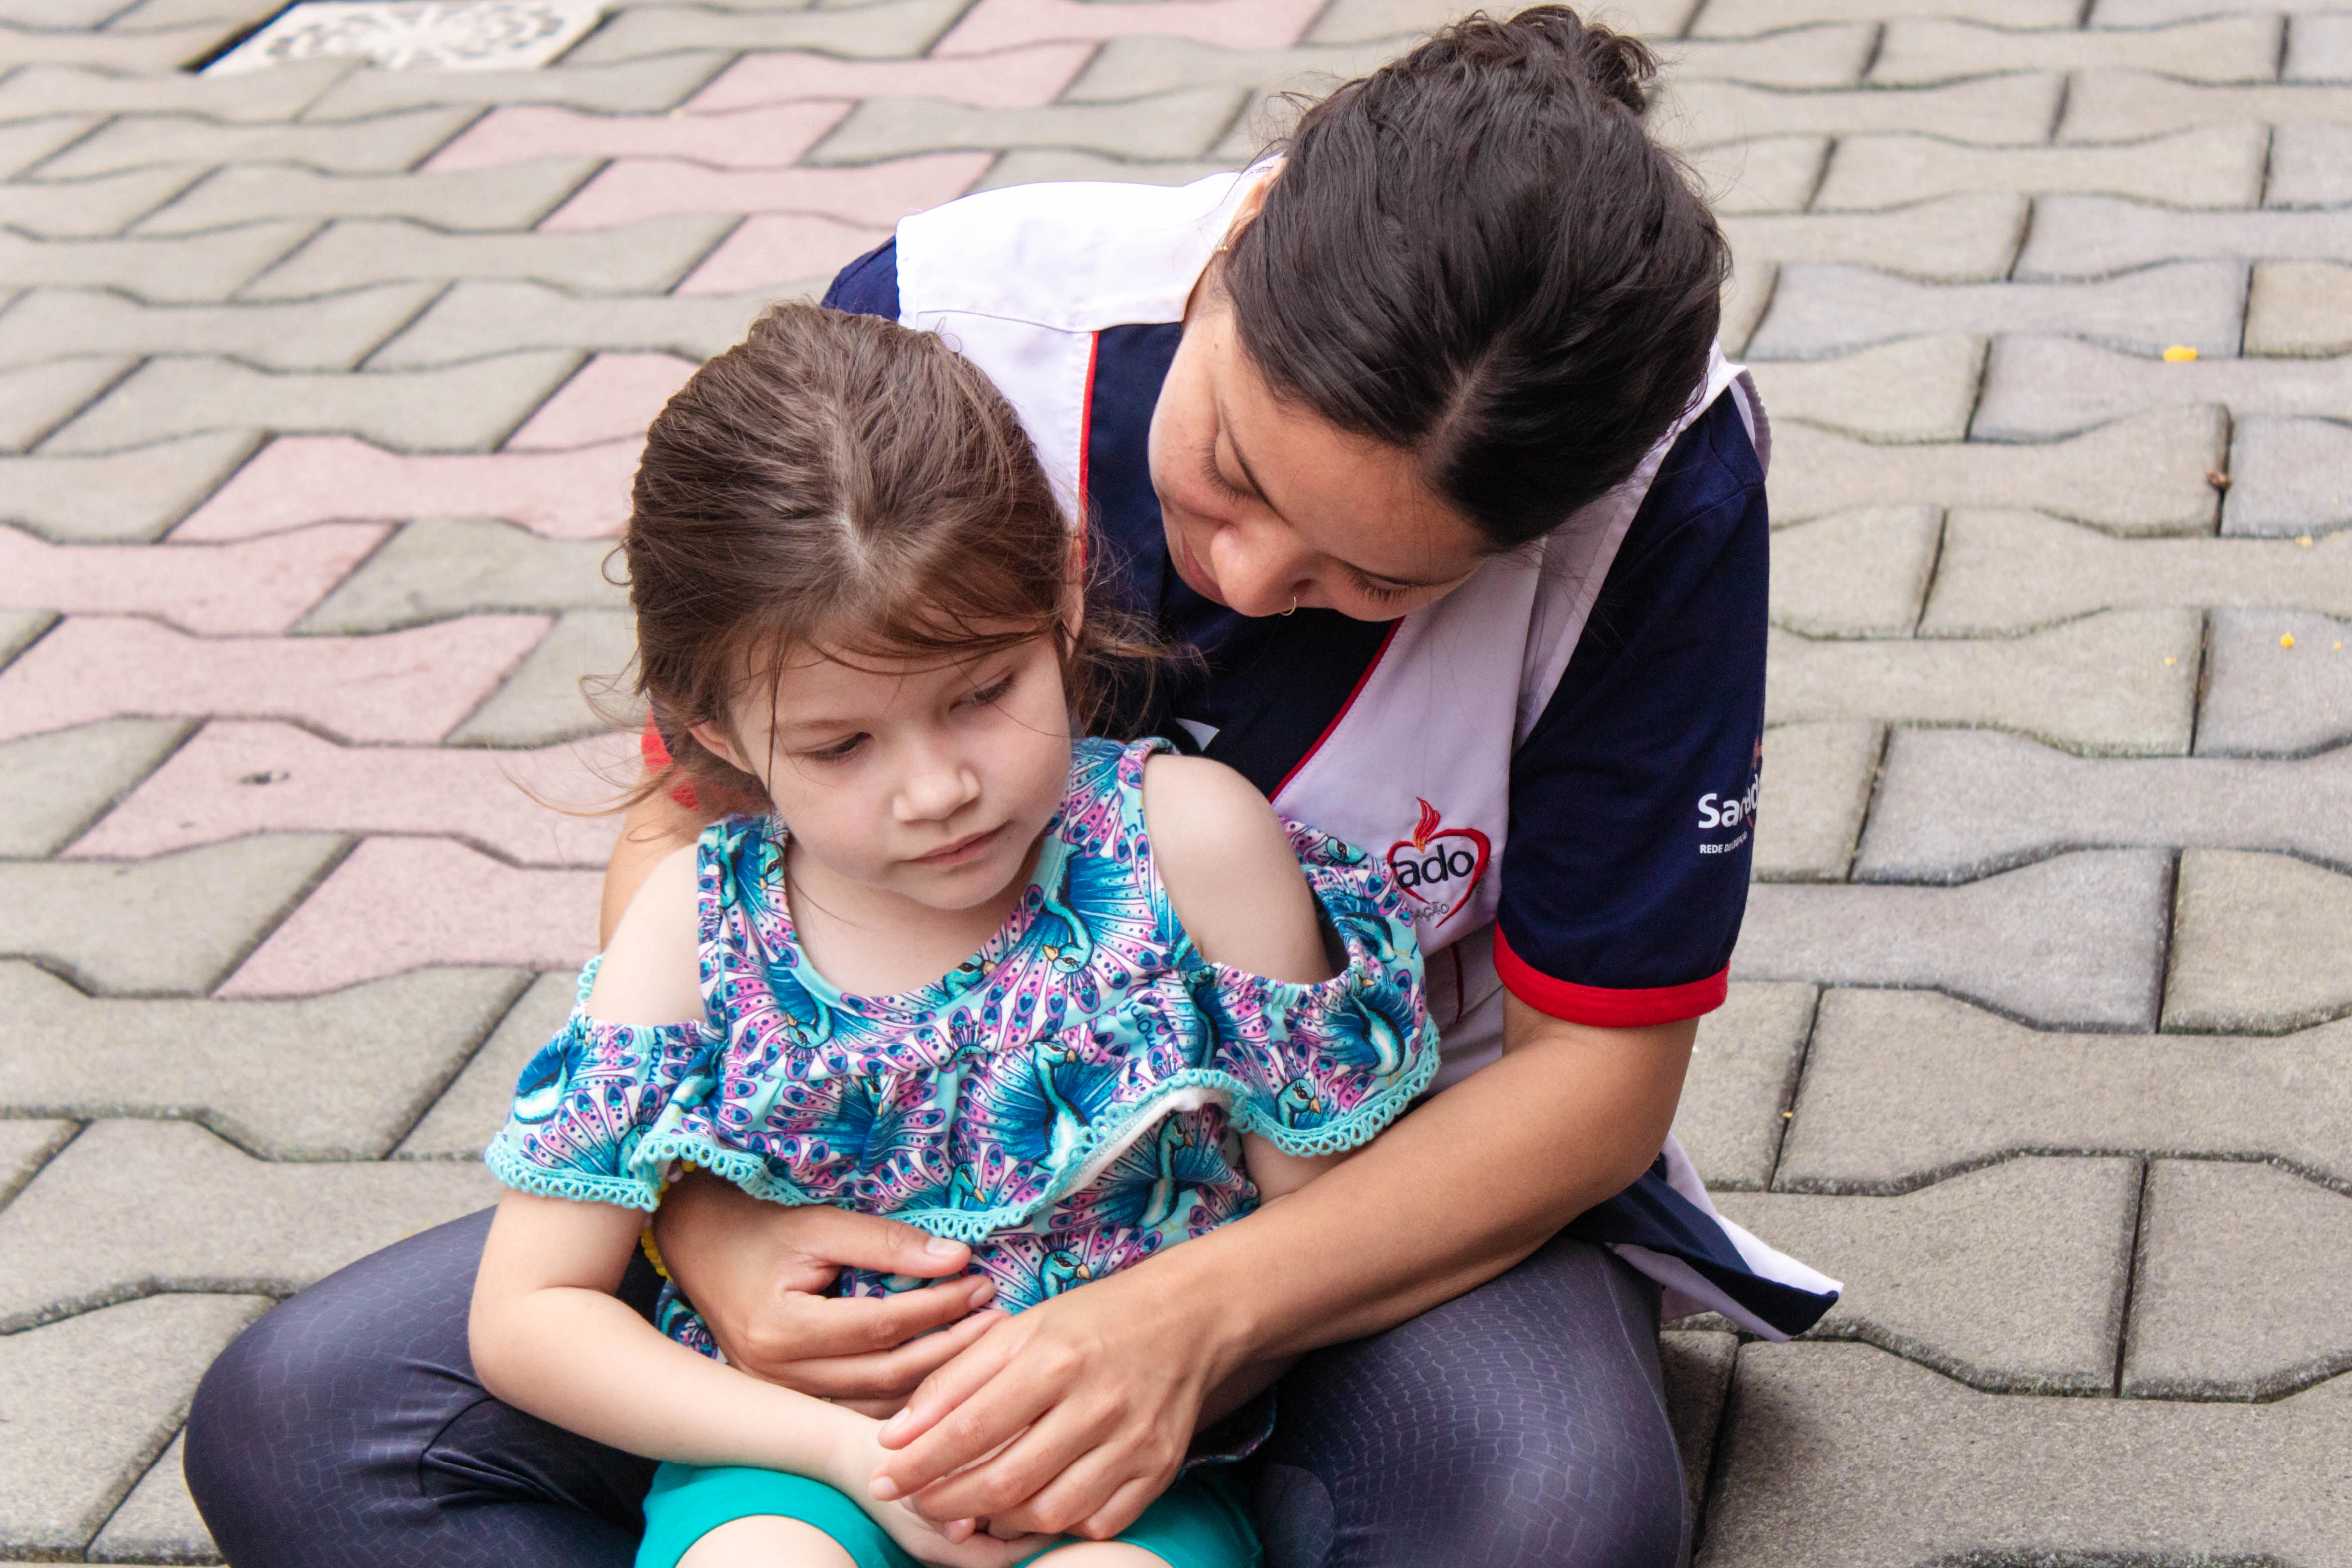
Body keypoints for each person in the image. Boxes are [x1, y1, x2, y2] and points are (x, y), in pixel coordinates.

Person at [186, 11, 1839, 1567]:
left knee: (1550, 1518)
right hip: (861, 1213)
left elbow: (1594, 1082)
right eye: (1238, 473)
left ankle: (1231, 1481)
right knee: (306, 1423)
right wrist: (712, 1231)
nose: (1250, 579)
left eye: (1372, 579)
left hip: (1369, 1202)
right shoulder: (951, 319)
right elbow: (695, 831)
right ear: (1236, 238)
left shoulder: (1659, 498)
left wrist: (1188, 1318)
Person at [467, 300, 1438, 1568]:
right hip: (787, 1466)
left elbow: (1314, 1222)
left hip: (1122, 1477)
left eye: (982, 694)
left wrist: (1148, 1386)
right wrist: (848, 1459)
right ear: (707, 729)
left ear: (1063, 598)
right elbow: (528, 1311)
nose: (936, 790)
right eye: (840, 745)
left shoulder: (1187, 848)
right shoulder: (696, 928)